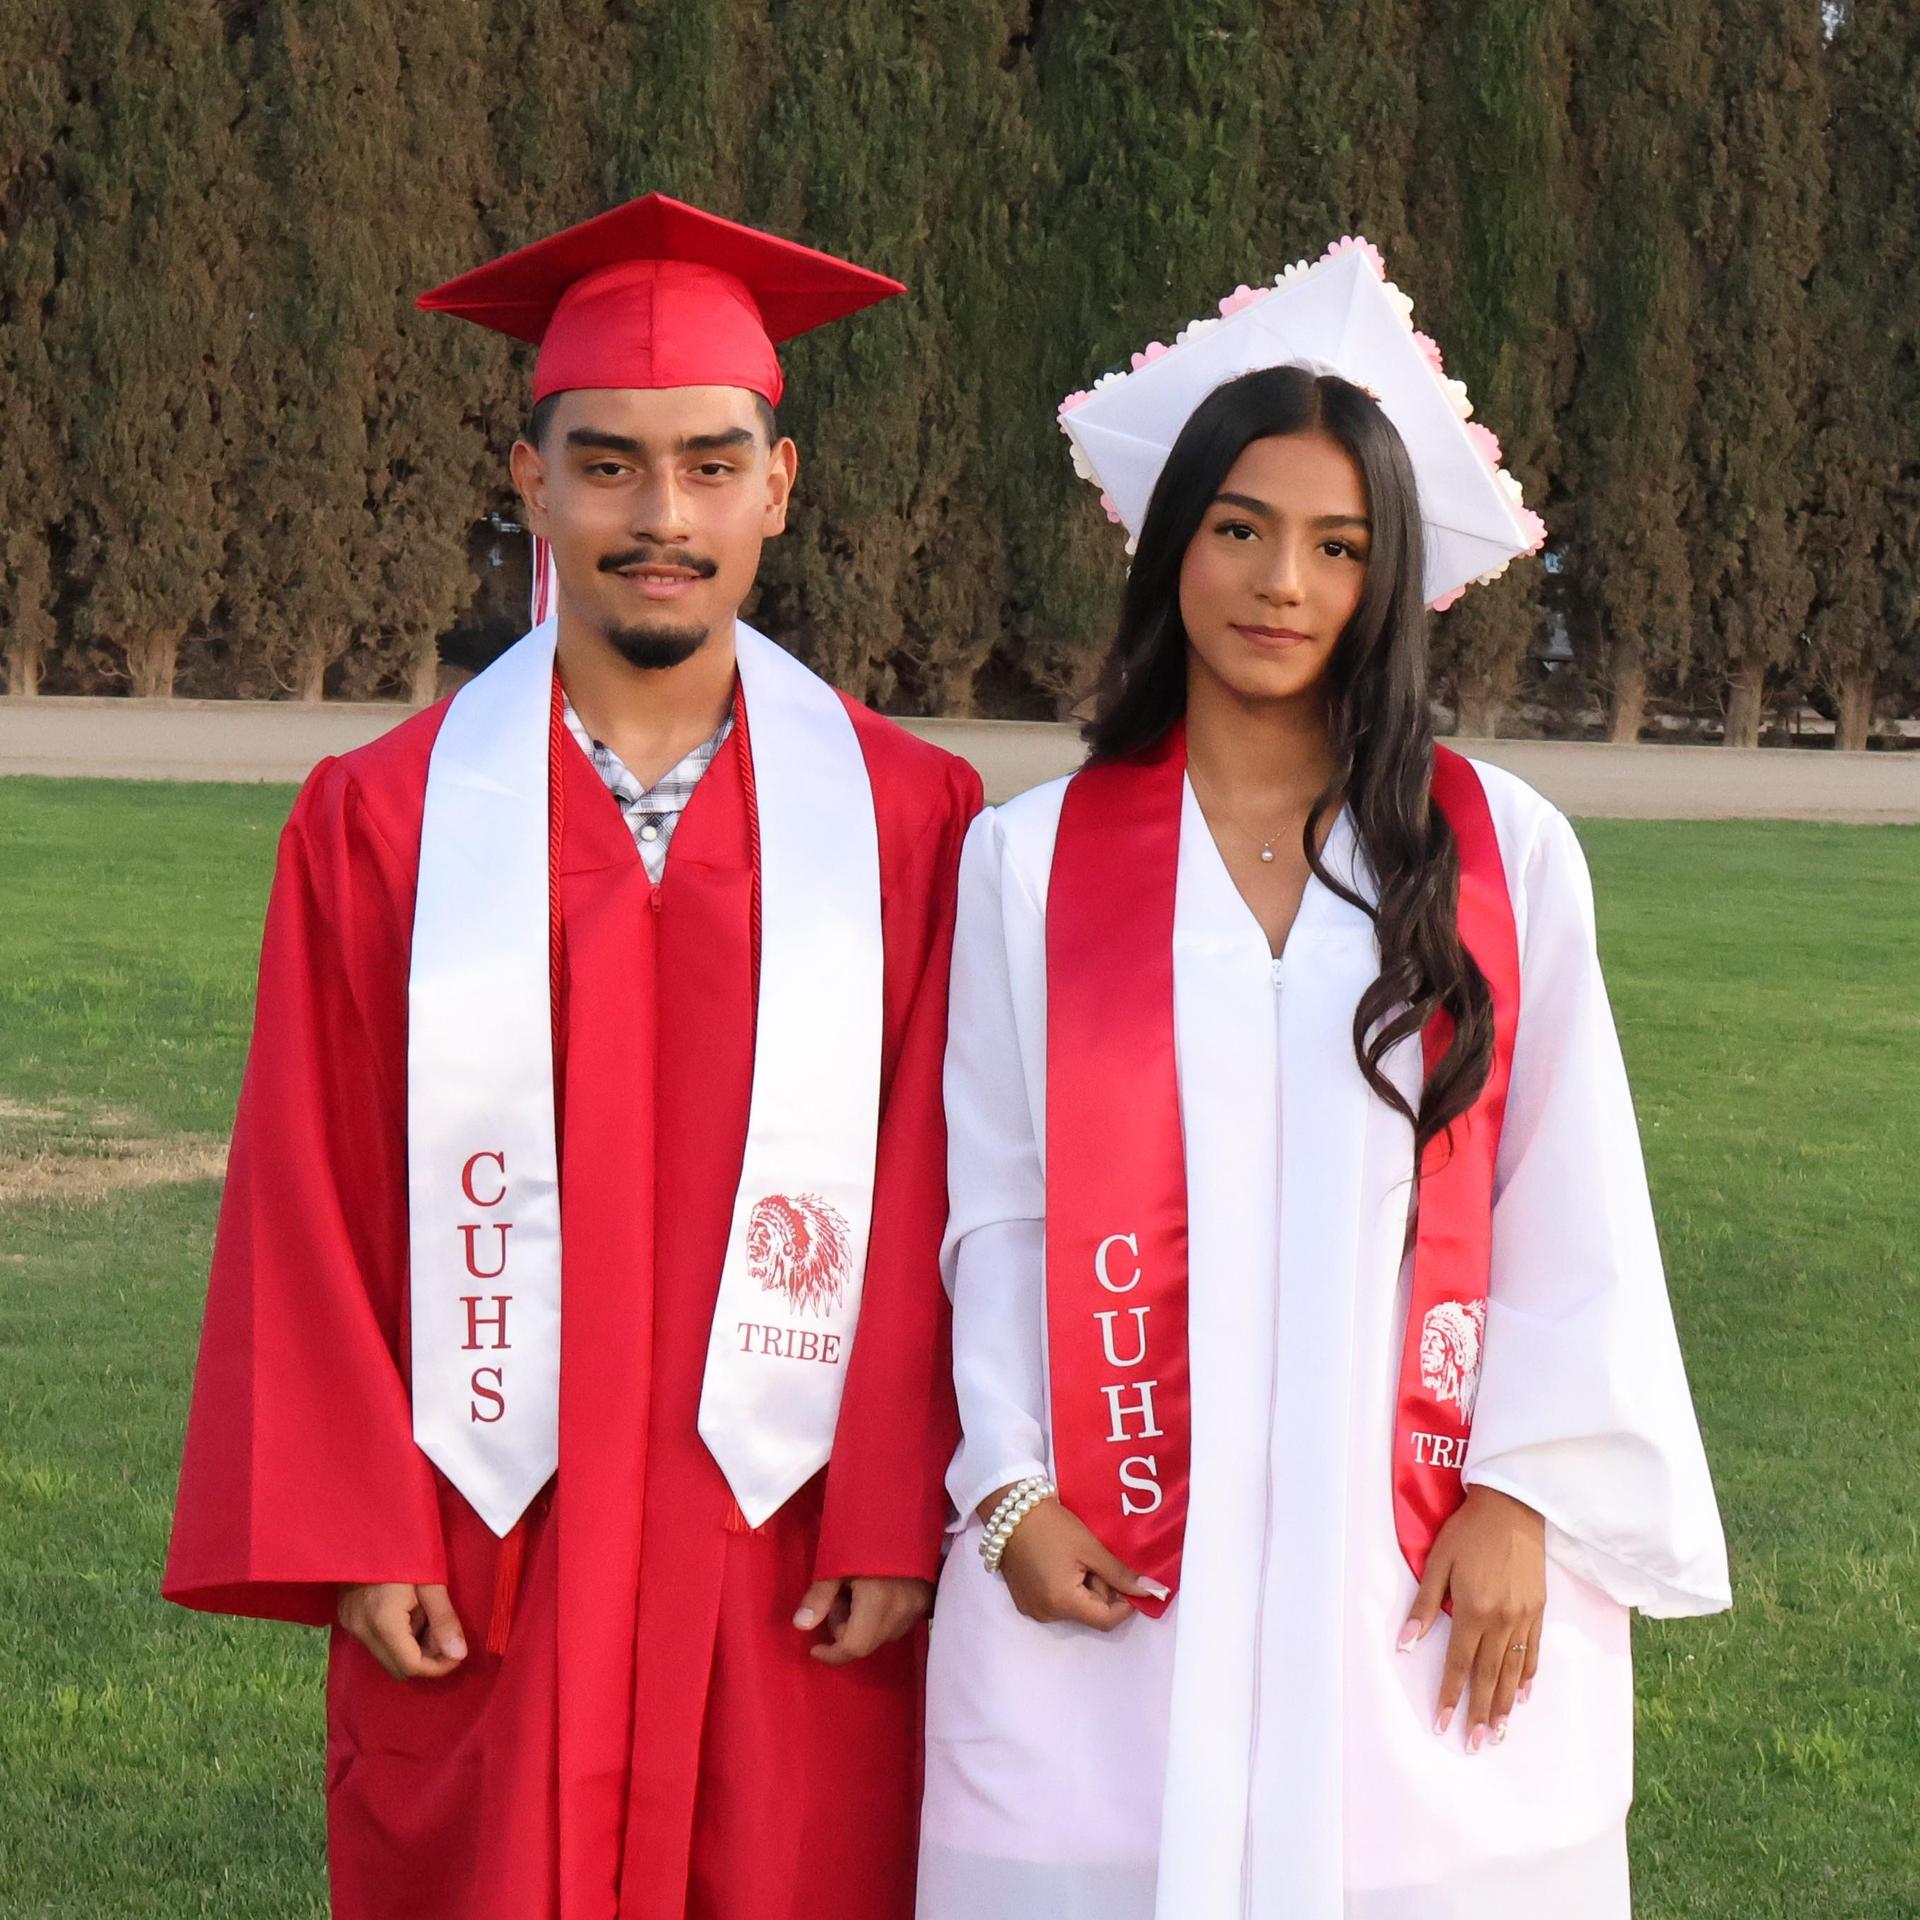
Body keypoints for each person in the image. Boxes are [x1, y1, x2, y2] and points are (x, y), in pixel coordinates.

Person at [164, 193, 982, 1920]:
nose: (659, 516)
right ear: (528, 482)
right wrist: (354, 1521)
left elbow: (946, 1184)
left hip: (789, 1542)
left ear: (780, 484)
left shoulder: (911, 822)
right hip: (485, 1530)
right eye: (606, 464)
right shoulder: (380, 820)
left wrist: (899, 1514)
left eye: (706, 463)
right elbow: (300, 1186)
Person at [917, 239, 1730, 1919]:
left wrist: (1521, 1488)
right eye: (1240, 529)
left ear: (1390, 578)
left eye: (1337, 545)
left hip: (1412, 1551)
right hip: (1124, 1542)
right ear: (1173, 550)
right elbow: (993, 1201)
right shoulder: (1032, 866)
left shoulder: (1500, 854)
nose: (1282, 581)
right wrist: (1007, 1486)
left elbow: (1570, 1192)